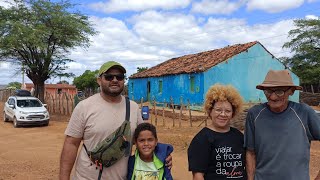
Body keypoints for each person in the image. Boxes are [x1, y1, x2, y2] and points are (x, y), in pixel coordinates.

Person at [59, 61, 172, 180]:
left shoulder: (133, 108)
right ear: (99, 80)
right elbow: (71, 144)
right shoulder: (84, 107)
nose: (114, 80)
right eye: (109, 77)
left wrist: (161, 155)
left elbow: (145, 139)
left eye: (119, 77)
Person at [244, 69, 320, 180]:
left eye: (279, 91)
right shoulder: (254, 114)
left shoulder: (304, 112)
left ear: (291, 91)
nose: (273, 97)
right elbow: (250, 153)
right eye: (268, 91)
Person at [188, 84, 247, 180]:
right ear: (210, 111)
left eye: (228, 111)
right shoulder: (202, 139)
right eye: (218, 110)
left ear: (233, 113)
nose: (223, 114)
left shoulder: (239, 136)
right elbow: (198, 175)